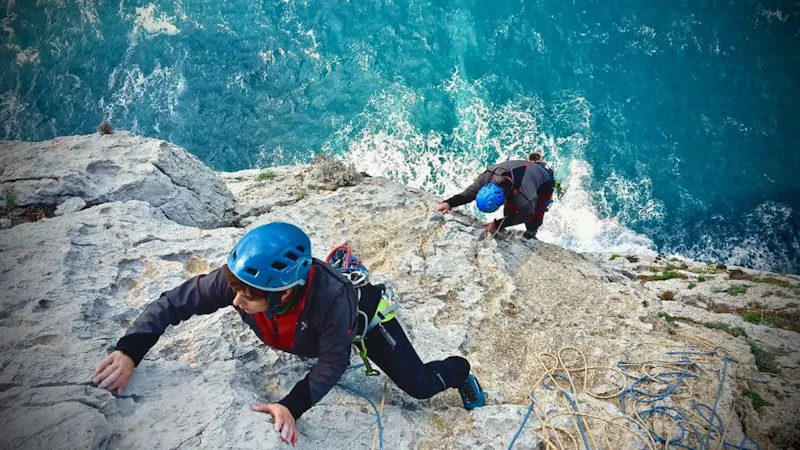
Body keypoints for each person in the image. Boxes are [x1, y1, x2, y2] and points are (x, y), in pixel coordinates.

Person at [93, 222, 485, 446]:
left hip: (363, 322)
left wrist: (291, 406)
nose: (235, 302)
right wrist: (130, 349)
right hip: (311, 319)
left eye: (247, 296)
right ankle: (346, 266)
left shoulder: (332, 302)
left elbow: (334, 362)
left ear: (283, 292)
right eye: (237, 291)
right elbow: (175, 302)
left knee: (419, 385)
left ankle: (460, 372)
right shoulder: (243, 280)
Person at [435, 152, 555, 239]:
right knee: (509, 213)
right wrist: (449, 203)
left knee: (534, 218)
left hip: (544, 182)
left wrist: (497, 224)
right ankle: (534, 164)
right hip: (521, 176)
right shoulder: (488, 176)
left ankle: (532, 231)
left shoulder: (525, 198)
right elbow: (469, 194)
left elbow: (526, 216)